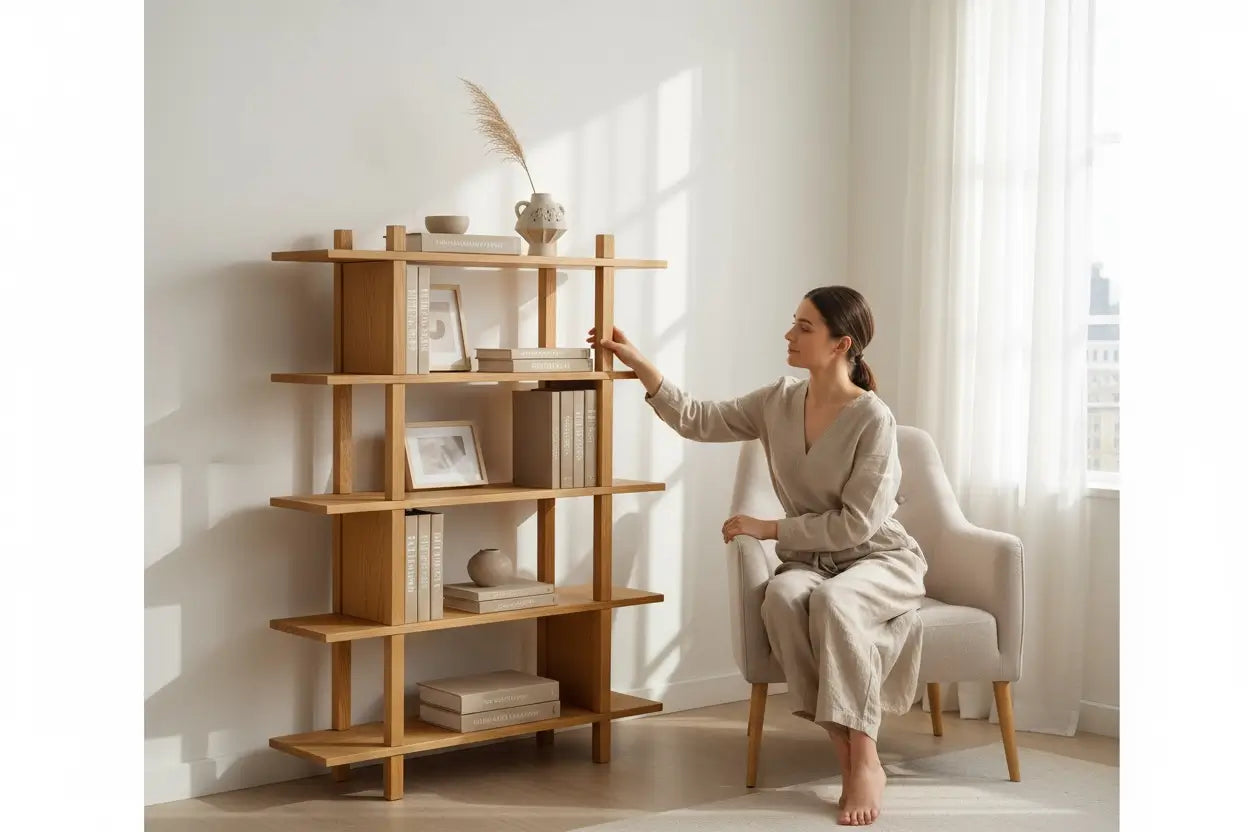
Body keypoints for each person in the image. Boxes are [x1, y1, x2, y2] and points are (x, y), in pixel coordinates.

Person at [588, 286, 926, 827]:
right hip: (811, 564)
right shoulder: (778, 400)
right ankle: (842, 746)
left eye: (804, 328)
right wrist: (639, 365)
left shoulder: (873, 419)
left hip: (876, 559)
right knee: (784, 597)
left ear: (842, 345)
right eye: (793, 323)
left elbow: (858, 523)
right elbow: (698, 418)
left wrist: (769, 527)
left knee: (836, 603)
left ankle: (863, 757)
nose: (789, 335)